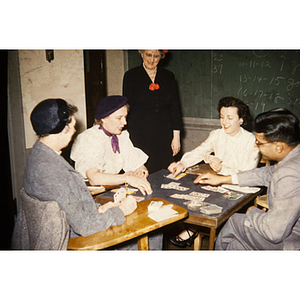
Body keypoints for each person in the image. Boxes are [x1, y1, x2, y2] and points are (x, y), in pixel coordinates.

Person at [13, 98, 137, 248]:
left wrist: (100, 209)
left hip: (69, 229)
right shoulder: (50, 171)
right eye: (72, 125)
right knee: (149, 234)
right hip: (74, 241)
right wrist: (121, 210)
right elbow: (84, 226)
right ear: (61, 130)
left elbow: (70, 205)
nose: (74, 129)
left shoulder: (39, 156)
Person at [196, 108, 300, 250]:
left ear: (279, 147)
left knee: (234, 221)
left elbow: (274, 232)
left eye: (259, 143)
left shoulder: (290, 173)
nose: (256, 145)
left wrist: (252, 211)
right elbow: (266, 174)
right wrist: (222, 179)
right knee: (235, 246)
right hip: (285, 233)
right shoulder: (294, 156)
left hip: (290, 243)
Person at [168, 96, 260, 247]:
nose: (224, 122)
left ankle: (203, 231)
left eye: (230, 118)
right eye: (222, 117)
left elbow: (247, 174)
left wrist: (223, 169)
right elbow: (199, 152)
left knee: (212, 201)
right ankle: (199, 229)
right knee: (190, 194)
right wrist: (182, 164)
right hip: (217, 183)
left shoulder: (251, 140)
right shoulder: (217, 135)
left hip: (240, 187)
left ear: (241, 119)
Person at [71, 95, 152, 196]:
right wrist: (126, 178)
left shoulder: (122, 136)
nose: (125, 122)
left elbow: (137, 164)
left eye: (125, 117)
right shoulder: (89, 138)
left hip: (112, 191)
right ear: (103, 118)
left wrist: (141, 172)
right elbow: (94, 178)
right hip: (90, 195)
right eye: (119, 118)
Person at [123, 50, 183, 174]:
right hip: (139, 134)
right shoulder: (131, 76)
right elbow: (127, 107)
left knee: (165, 171)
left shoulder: (168, 76)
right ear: (141, 53)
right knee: (142, 171)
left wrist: (176, 137)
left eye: (156, 56)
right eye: (148, 55)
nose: (151, 60)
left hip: (163, 135)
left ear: (161, 56)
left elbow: (175, 108)